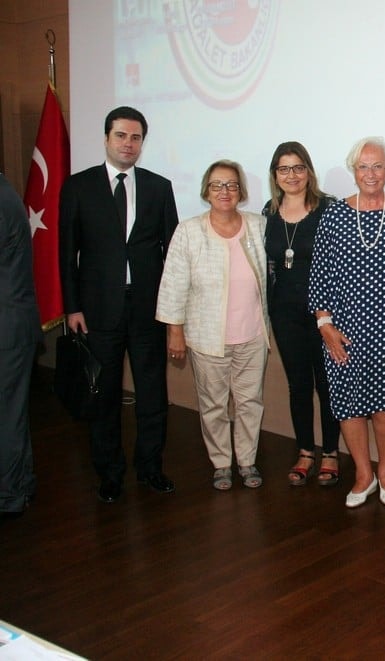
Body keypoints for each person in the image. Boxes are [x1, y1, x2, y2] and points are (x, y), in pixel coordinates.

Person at [58, 106, 179, 503]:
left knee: (151, 394)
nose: (128, 144)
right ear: (107, 138)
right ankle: (109, 473)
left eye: (136, 137)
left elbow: (172, 255)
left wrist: (172, 309)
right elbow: (66, 253)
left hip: (147, 310)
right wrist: (72, 307)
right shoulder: (78, 187)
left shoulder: (159, 187)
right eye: (121, 136)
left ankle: (150, 468)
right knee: (104, 396)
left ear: (143, 142)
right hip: (97, 312)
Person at [309, 137, 385, 509]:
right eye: (363, 167)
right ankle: (362, 474)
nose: (371, 174)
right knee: (349, 406)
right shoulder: (335, 214)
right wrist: (324, 324)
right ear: (353, 171)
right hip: (344, 329)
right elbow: (319, 273)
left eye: (378, 166)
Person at [156, 160, 269, 490]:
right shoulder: (189, 231)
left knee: (250, 403)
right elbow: (174, 283)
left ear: (241, 192)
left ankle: (247, 461)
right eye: (218, 185)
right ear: (206, 190)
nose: (225, 191)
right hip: (207, 338)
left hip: (253, 335)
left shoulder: (258, 226)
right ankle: (221, 462)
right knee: (214, 405)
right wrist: (174, 331)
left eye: (232, 185)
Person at [264, 142, 341, 487]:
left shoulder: (329, 209)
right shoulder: (269, 212)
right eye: (284, 169)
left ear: (308, 171)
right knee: (298, 384)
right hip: (284, 313)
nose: (291, 175)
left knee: (327, 385)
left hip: (324, 313)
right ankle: (305, 451)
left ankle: (330, 453)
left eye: (298, 168)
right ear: (275, 175)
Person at [0, 172, 41, 520]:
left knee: (7, 415)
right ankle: (20, 484)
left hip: (8, 330)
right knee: (11, 413)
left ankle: (10, 495)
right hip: (12, 327)